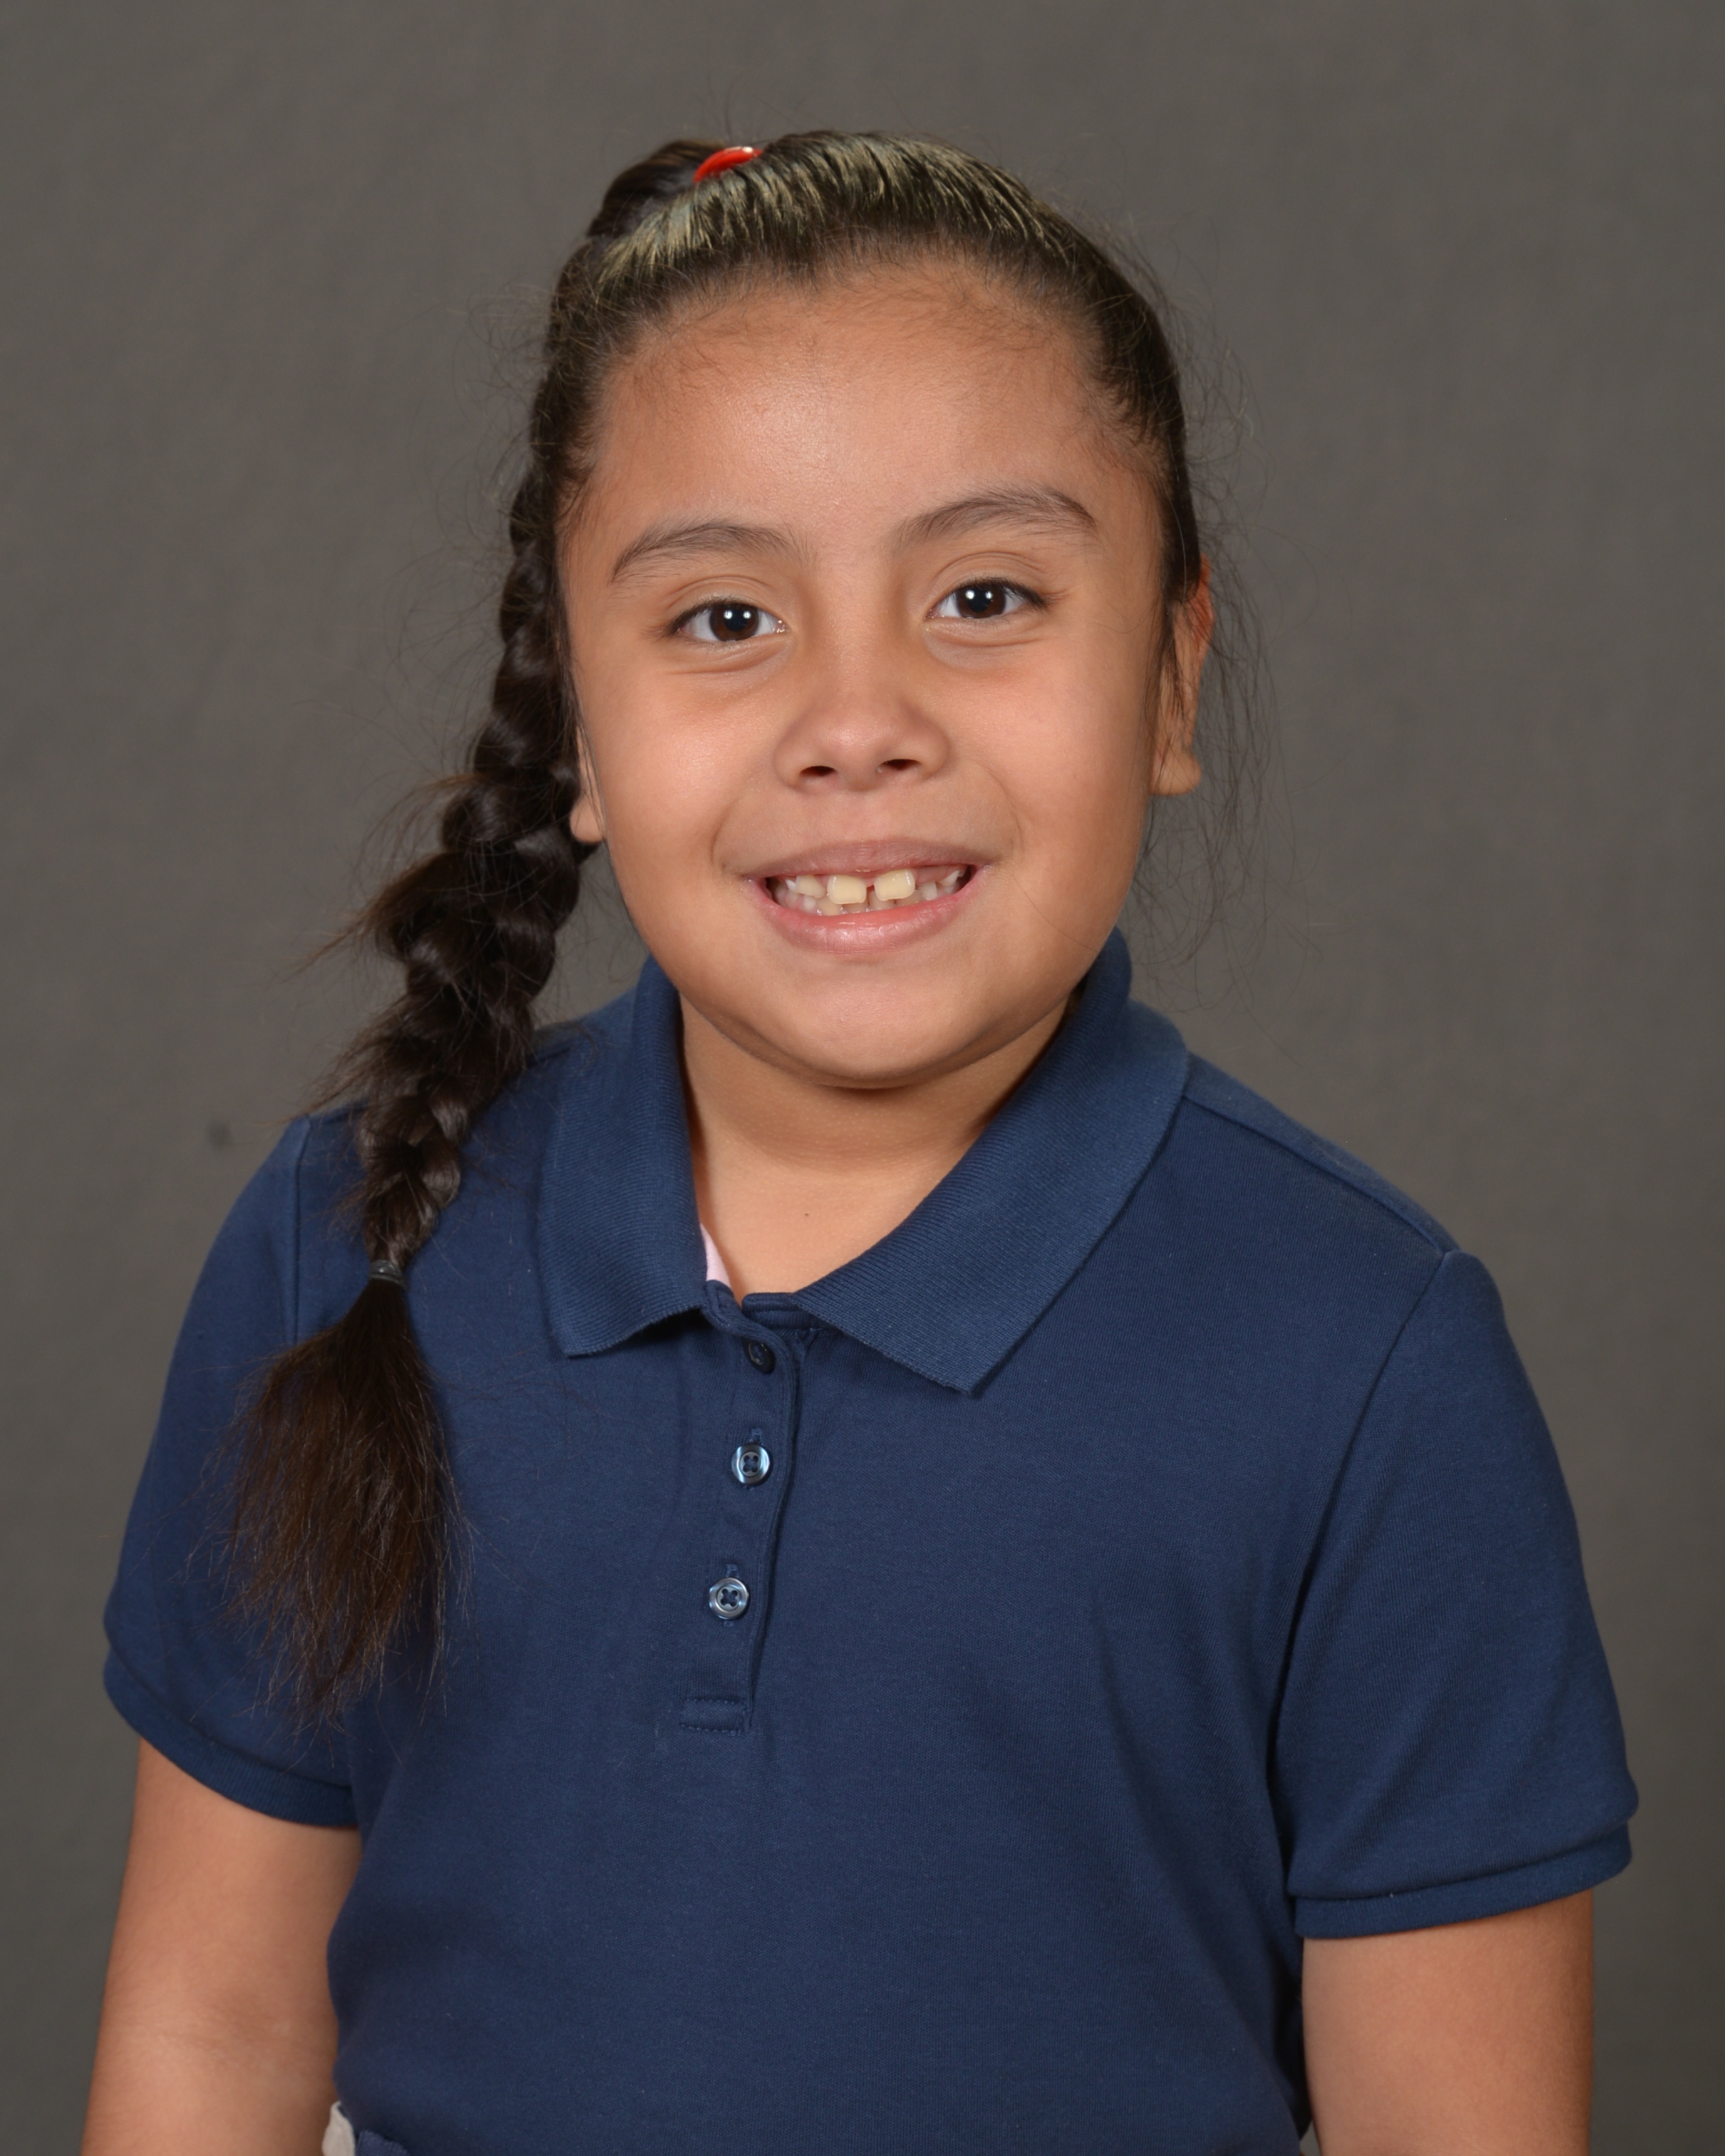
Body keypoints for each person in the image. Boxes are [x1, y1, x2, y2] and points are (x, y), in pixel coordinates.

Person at [81, 133, 1635, 2156]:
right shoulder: (349, 1245)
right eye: (725, 616)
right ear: (574, 718)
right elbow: (212, 2039)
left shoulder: (1363, 1361)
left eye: (983, 595)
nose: (855, 718)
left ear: (1170, 674)